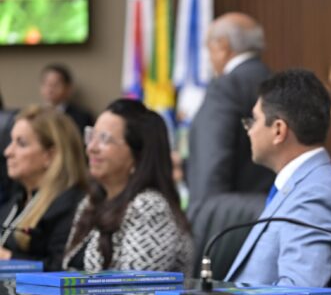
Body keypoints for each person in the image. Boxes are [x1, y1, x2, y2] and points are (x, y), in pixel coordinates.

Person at [225, 69, 331, 287]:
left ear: (278, 130)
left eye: (254, 120)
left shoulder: (315, 196)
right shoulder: (303, 185)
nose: (249, 130)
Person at [63, 99, 193, 273]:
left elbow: (138, 293)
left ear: (138, 156)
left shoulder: (150, 208)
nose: (91, 148)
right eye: (91, 136)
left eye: (104, 139)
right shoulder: (92, 202)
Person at [186, 12, 274, 222]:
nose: (208, 58)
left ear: (222, 46)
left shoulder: (226, 87)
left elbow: (213, 161)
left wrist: (203, 221)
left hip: (228, 222)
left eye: (208, 48)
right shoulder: (275, 82)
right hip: (270, 213)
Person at [0, 106, 87, 270]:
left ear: (50, 155)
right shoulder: (16, 201)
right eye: (10, 141)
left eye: (21, 143)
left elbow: (64, 269)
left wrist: (7, 258)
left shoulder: (71, 205)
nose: (8, 152)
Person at [39, 63, 94, 134]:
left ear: (68, 88)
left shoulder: (82, 117)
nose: (50, 89)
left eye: (56, 84)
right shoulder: (34, 115)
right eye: (47, 83)